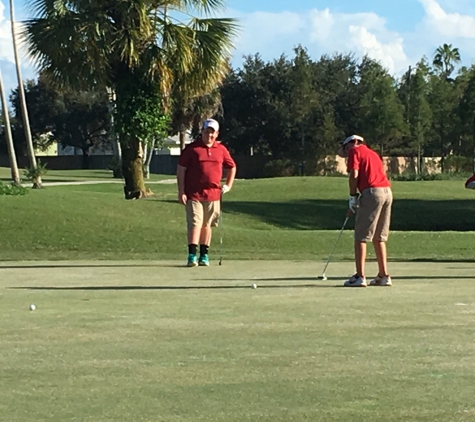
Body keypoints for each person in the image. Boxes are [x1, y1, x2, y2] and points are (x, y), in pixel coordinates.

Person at [177, 119, 237, 267]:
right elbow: (181, 169)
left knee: (207, 224)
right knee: (195, 223)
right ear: (202, 132)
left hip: (213, 194)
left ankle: (204, 255)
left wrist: (228, 186)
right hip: (194, 193)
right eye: (206, 132)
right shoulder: (192, 149)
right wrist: (181, 191)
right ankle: (192, 255)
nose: (209, 135)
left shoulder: (221, 149)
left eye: (212, 132)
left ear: (216, 134)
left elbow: (232, 167)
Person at [337, 135, 393, 287]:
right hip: (387, 192)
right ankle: (383, 275)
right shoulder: (373, 154)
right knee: (378, 237)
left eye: (346, 148)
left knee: (361, 236)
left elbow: (354, 175)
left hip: (372, 192)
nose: (347, 152)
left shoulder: (355, 151)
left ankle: (360, 276)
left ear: (354, 143)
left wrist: (352, 197)